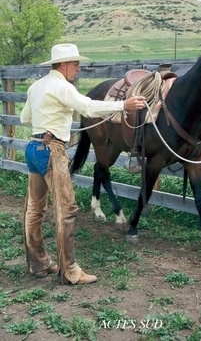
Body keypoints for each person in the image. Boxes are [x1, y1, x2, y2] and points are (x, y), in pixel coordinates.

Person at [20, 43, 146, 285]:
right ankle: (70, 271)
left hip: (34, 148)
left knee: (35, 210)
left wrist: (50, 115)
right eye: (75, 64)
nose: (78, 69)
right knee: (65, 210)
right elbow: (88, 106)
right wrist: (124, 105)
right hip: (52, 151)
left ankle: (38, 263)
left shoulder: (37, 86)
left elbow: (26, 117)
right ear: (64, 65)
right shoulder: (62, 87)